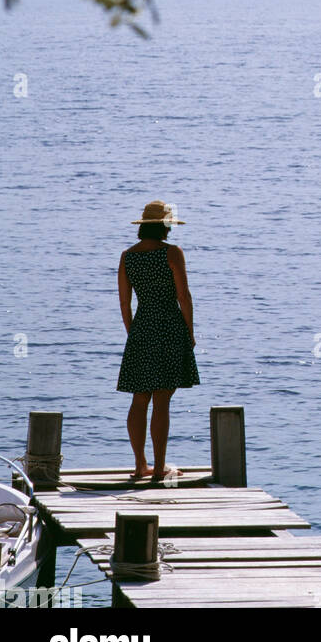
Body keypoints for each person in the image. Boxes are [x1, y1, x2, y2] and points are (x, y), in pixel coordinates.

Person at [117, 200, 199, 482]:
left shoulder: (128, 256)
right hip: (169, 327)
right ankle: (159, 468)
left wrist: (133, 333)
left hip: (141, 328)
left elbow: (125, 303)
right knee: (162, 400)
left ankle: (141, 465)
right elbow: (183, 297)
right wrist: (189, 332)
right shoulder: (172, 254)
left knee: (139, 399)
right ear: (165, 226)